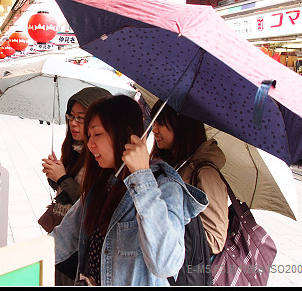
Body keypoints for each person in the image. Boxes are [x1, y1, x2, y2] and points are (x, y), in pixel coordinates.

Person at [50, 95, 208, 286]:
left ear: (125, 134)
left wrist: (141, 177)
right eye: (89, 135)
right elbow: (63, 238)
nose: (90, 144)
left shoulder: (165, 187)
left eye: (97, 134)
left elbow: (166, 264)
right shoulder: (102, 184)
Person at [40, 86, 112, 285]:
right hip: (63, 238)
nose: (74, 123)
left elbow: (90, 204)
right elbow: (64, 194)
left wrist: (63, 178)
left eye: (82, 117)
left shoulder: (102, 161)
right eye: (71, 116)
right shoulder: (74, 149)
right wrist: (56, 174)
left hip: (79, 251)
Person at [149, 100, 229, 257]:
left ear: (182, 126)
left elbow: (215, 240)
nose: (154, 129)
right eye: (155, 122)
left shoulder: (205, 172)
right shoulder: (170, 162)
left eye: (161, 124)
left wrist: (169, 224)